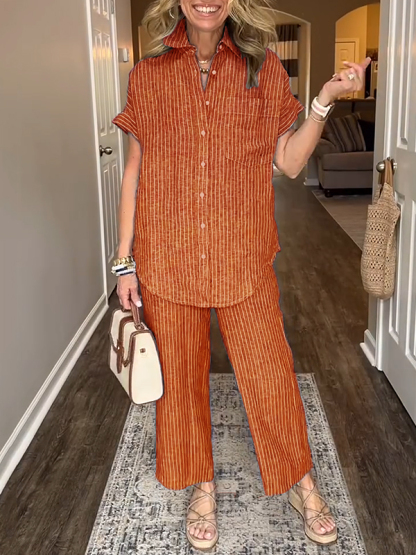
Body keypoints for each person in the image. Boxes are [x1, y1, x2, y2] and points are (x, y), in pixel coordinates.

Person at [112, 0, 370, 550]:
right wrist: (123, 260)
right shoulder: (148, 74)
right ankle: (201, 486)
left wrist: (324, 100)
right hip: (168, 257)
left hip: (242, 255)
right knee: (181, 383)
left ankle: (301, 482)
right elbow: (134, 169)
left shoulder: (263, 67)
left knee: (270, 374)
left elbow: (290, 162)